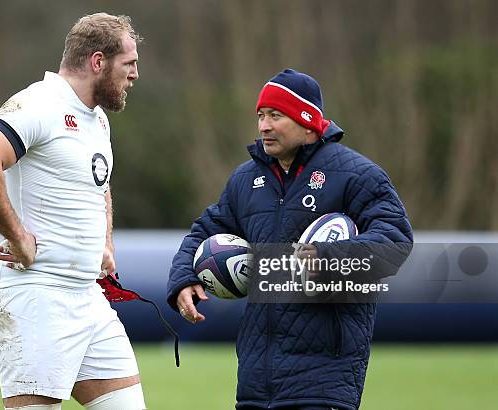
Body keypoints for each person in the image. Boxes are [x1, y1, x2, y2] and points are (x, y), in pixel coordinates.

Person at [167, 69, 413, 409]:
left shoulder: (357, 175)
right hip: (256, 380)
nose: (264, 126)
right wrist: (184, 277)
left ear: (308, 120)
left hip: (324, 377)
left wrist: (325, 258)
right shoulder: (245, 179)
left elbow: (395, 241)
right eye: (261, 116)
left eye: (276, 116)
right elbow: (205, 230)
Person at [0, 13, 145, 410]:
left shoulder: (97, 119)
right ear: (98, 62)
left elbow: (100, 182)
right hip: (36, 299)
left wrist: (105, 242)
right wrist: (19, 237)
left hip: (87, 300)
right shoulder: (39, 104)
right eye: (128, 64)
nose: (135, 75)